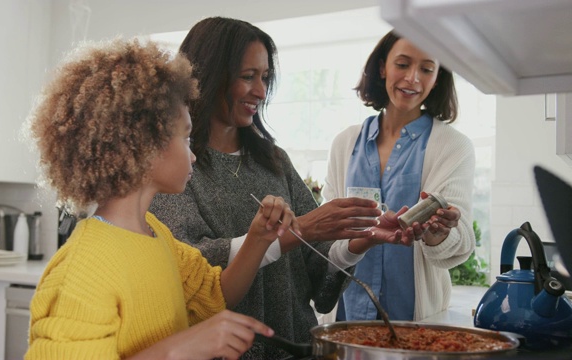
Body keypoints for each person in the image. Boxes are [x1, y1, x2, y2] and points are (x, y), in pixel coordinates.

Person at [24, 37, 301, 359]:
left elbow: (215, 295)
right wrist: (176, 350)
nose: (194, 155)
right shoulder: (80, 269)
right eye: (185, 136)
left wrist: (258, 239)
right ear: (144, 146)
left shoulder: (155, 234)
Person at [149, 17, 393, 359]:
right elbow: (188, 269)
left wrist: (357, 240)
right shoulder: (174, 167)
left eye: (265, 78)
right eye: (248, 77)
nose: (261, 92)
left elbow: (318, 270)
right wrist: (298, 230)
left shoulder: (274, 161)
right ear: (207, 75)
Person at [323, 30, 476, 322]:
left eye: (426, 69)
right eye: (403, 64)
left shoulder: (453, 147)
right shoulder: (344, 144)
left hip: (416, 323)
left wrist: (440, 232)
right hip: (344, 318)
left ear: (437, 77)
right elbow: (328, 237)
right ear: (383, 68)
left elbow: (461, 242)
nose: (412, 78)